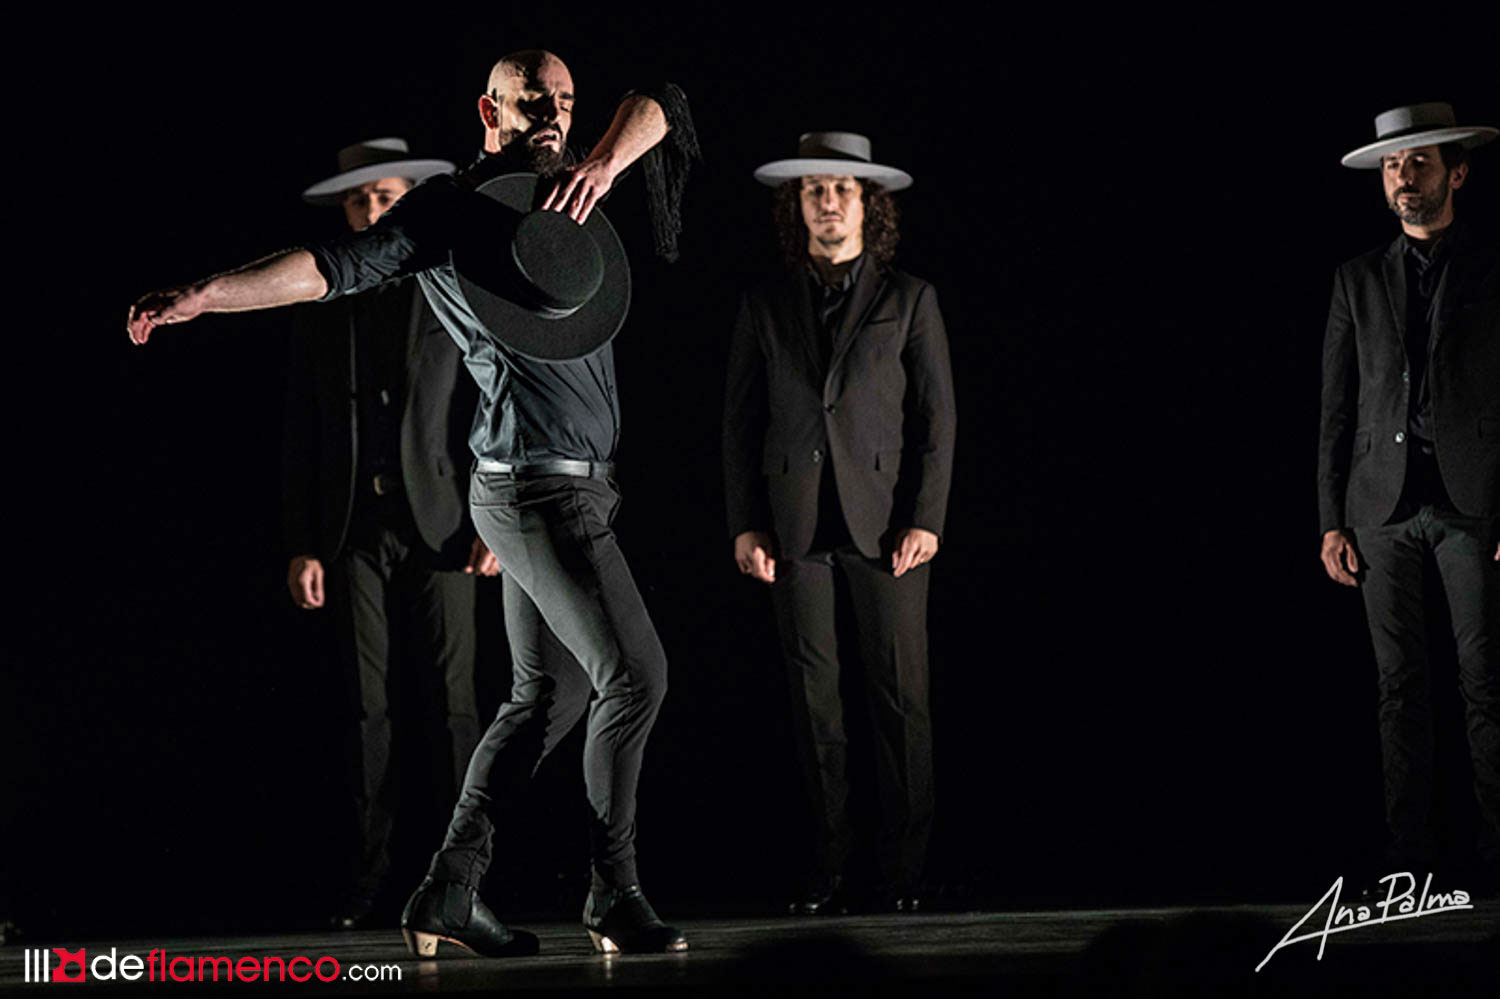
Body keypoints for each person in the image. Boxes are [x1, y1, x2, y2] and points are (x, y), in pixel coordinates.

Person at [129, 49, 698, 956]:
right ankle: (612, 891)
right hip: (534, 486)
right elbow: (331, 266)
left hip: (574, 484)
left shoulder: (575, 190)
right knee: (636, 675)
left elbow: (664, 100)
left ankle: (448, 889)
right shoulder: (451, 209)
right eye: (529, 104)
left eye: (563, 101)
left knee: (542, 697)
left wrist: (598, 162)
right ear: (488, 110)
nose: (550, 115)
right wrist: (209, 295)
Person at [723, 132, 956, 913]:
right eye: (814, 188)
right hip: (795, 532)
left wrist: (926, 518)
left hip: (890, 529)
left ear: (867, 204)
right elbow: (739, 424)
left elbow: (938, 422)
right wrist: (746, 524)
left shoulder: (909, 298)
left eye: (842, 189)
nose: (827, 199)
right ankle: (827, 870)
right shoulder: (763, 302)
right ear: (797, 204)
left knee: (901, 702)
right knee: (814, 707)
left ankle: (906, 875)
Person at [285, 137, 499, 929]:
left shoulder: (452, 283)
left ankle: (461, 883)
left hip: (444, 523)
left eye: (387, 197)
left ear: (410, 200)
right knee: (365, 710)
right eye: (360, 200)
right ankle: (367, 883)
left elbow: (489, 408)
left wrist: (491, 521)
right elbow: (301, 428)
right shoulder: (322, 297)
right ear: (345, 210)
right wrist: (303, 539)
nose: (373, 209)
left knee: (455, 708)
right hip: (352, 530)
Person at [1318, 102, 1500, 890]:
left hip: (1473, 502)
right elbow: (1335, 405)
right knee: (1399, 688)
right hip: (1379, 505)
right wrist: (1330, 521)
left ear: (1456, 172)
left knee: (1484, 679)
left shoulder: (1494, 268)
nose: (1403, 175)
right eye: (1394, 165)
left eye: (1418, 162)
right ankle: (1411, 860)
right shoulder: (1356, 278)